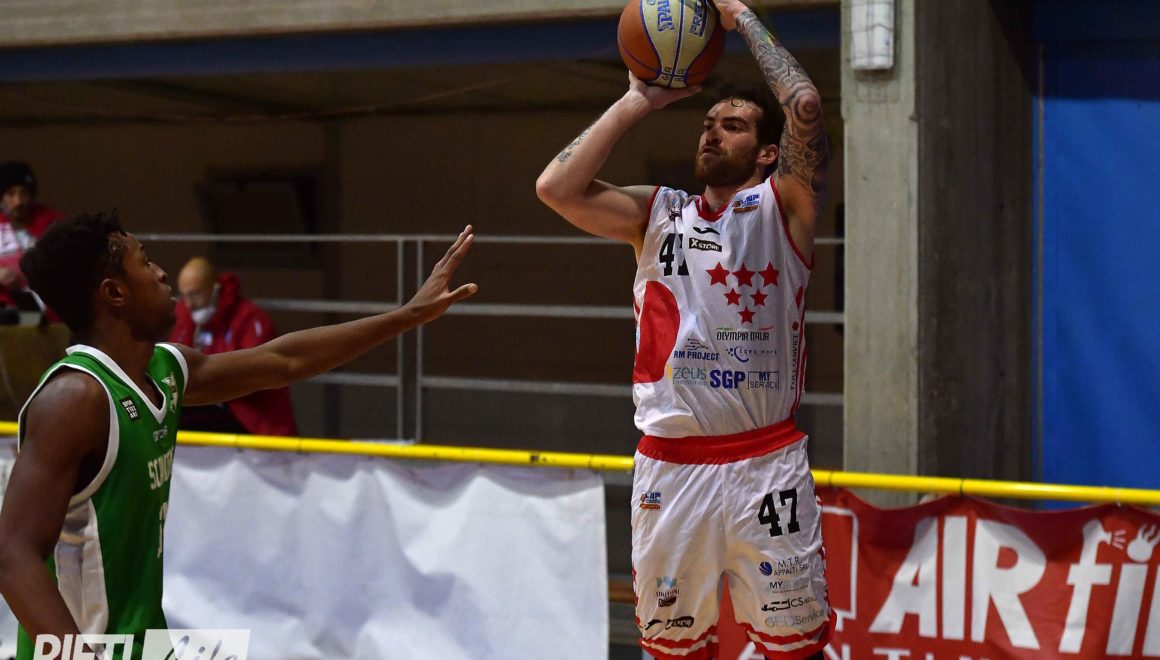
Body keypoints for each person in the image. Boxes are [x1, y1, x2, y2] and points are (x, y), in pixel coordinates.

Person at [0, 211, 476, 659]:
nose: (162, 273)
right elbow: (12, 552)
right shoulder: (76, 399)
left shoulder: (165, 369)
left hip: (144, 643)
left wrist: (407, 316)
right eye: (144, 262)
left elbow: (283, 361)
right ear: (114, 293)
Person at [536, 1, 830, 658]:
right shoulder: (657, 213)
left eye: (732, 126)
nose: (712, 134)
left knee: (795, 649)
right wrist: (637, 100)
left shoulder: (785, 205)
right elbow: (556, 188)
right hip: (672, 470)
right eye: (707, 124)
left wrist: (741, 17)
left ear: (768, 153)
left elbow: (806, 106)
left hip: (766, 464)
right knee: (674, 652)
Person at [169, 256, 299, 437]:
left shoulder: (249, 319)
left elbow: (255, 375)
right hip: (211, 406)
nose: (189, 304)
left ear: (215, 288)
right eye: (184, 296)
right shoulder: (186, 315)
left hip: (250, 416)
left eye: (195, 295)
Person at [0, 162, 64, 315]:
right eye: (11, 194)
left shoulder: (53, 225)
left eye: (23, 193)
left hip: (48, 312)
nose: (18, 201)